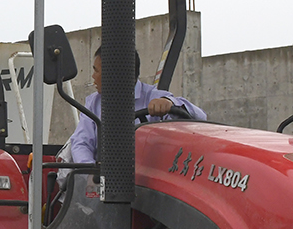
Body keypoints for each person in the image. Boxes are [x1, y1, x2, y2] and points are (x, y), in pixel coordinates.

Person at [63, 50, 205, 164]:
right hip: (104, 178)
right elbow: (82, 142)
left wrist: (169, 103)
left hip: (145, 181)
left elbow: (200, 117)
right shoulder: (94, 103)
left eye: (97, 71)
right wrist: (90, 174)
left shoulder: (152, 96)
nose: (93, 76)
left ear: (115, 75)